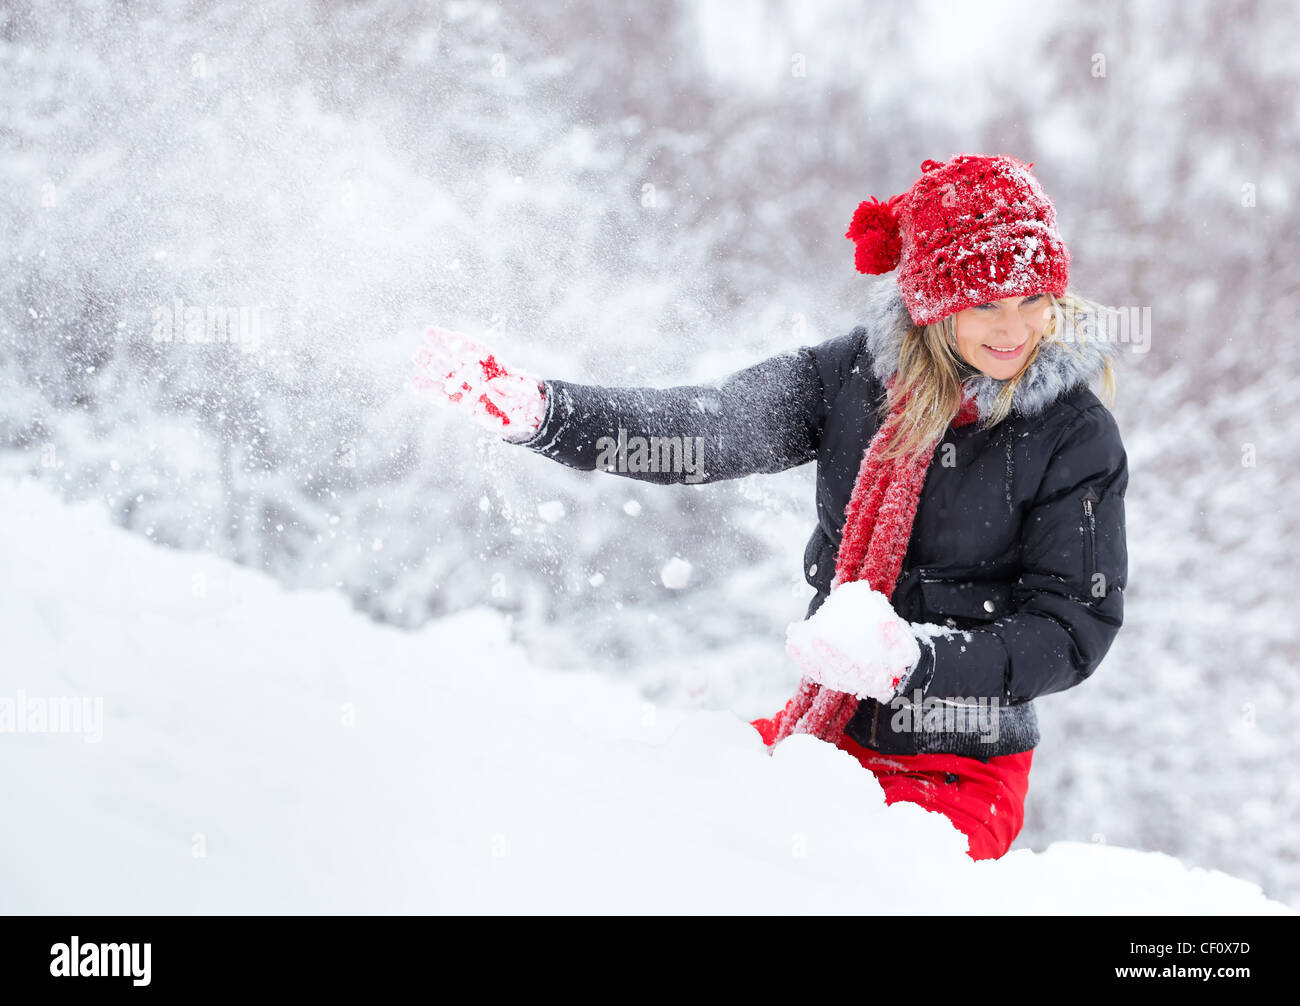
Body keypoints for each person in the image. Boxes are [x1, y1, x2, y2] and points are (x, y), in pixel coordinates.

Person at [412, 153, 1128, 861]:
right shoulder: (854, 378)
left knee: (848, 880)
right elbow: (705, 430)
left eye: (1033, 300)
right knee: (662, 824)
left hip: (963, 769)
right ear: (934, 304)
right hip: (827, 732)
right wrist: (547, 415)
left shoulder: (1073, 435)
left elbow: (1072, 626)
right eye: (986, 304)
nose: (1015, 329)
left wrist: (915, 661)